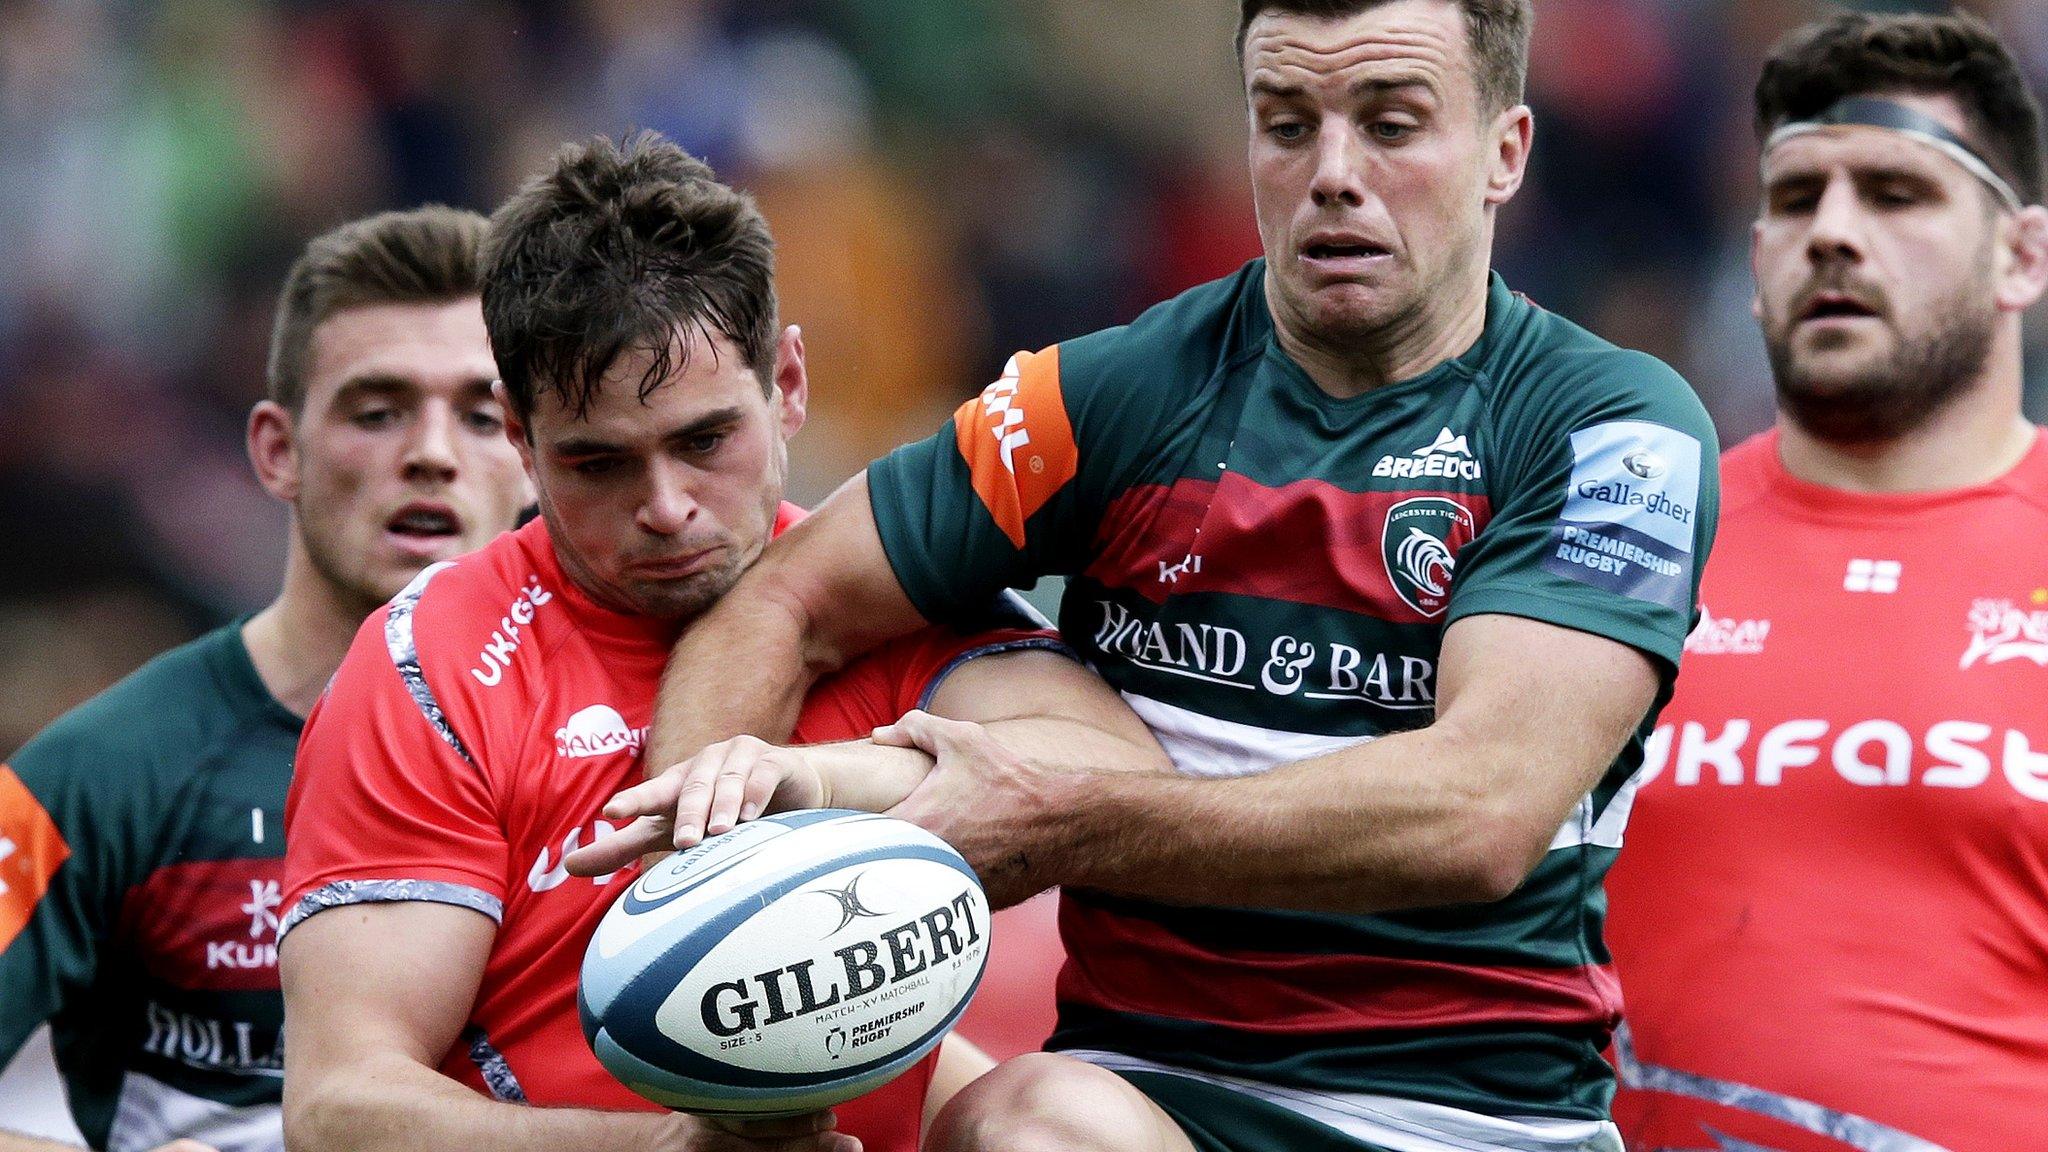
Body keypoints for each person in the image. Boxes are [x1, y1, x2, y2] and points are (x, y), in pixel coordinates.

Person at [573, 2, 1722, 1150]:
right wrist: (707, 897)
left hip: (1479, 1118)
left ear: (1503, 152)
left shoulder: (1615, 428)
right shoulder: (1107, 395)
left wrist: (1066, 820)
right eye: (1284, 125)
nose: (1330, 174)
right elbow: (783, 598)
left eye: (1390, 124)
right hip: (1146, 1094)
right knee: (1022, 1122)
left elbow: (1479, 813)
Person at [274, 134, 1165, 1152]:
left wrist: (816, 783)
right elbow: (343, 1106)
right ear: (518, 440)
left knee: (1060, 1120)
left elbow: (1129, 778)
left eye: (704, 442)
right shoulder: (431, 664)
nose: (664, 508)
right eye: (597, 463)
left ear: (785, 382)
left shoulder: (901, 604)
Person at [1601, 13, 2048, 1152]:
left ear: (2021, 257)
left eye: (1894, 194)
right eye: (1795, 199)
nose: (1832, 234)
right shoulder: (1621, 550)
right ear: (1751, 262)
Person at [0, 206, 532, 1152]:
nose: (432, 452)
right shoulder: (97, 770)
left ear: (534, 453)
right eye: (378, 411)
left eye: (482, 414)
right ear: (276, 451)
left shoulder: (613, 741)